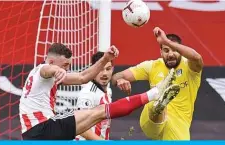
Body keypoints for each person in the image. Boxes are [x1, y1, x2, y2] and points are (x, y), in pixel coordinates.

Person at [19, 42, 180, 140]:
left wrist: (105, 58)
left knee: (100, 112)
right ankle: (154, 94)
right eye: (65, 66)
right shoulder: (43, 70)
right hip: (41, 128)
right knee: (98, 112)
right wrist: (55, 70)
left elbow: (82, 77)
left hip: (37, 133)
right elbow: (47, 69)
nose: (66, 69)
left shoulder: (48, 75)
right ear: (52, 61)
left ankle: (154, 94)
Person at [112, 27, 203, 140]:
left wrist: (166, 41)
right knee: (155, 101)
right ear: (160, 52)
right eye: (166, 50)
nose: (170, 54)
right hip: (150, 120)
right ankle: (160, 105)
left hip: (178, 125)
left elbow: (197, 57)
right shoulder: (152, 66)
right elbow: (115, 77)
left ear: (180, 50)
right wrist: (120, 80)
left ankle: (160, 102)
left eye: (174, 50)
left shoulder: (190, 68)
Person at [75, 52, 113, 140]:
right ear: (94, 70)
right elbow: (80, 127)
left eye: (108, 69)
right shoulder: (87, 94)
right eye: (101, 69)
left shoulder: (108, 90)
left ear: (113, 69)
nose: (105, 73)